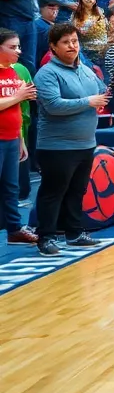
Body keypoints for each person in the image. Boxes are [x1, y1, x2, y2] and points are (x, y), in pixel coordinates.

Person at [32, 23, 109, 256]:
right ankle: (45, 237)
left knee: (77, 190)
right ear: (53, 47)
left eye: (74, 41)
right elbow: (54, 106)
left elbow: (101, 90)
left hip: (85, 143)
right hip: (56, 145)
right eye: (65, 42)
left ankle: (74, 233)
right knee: (53, 193)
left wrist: (100, 96)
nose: (72, 46)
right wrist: (88, 102)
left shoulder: (85, 69)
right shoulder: (46, 73)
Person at [0, 29, 37, 246]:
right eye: (12, 47)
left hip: (12, 139)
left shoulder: (15, 71)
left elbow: (18, 110)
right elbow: (16, 100)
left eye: (19, 46)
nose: (19, 51)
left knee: (11, 187)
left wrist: (21, 138)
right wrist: (18, 96)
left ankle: (14, 230)